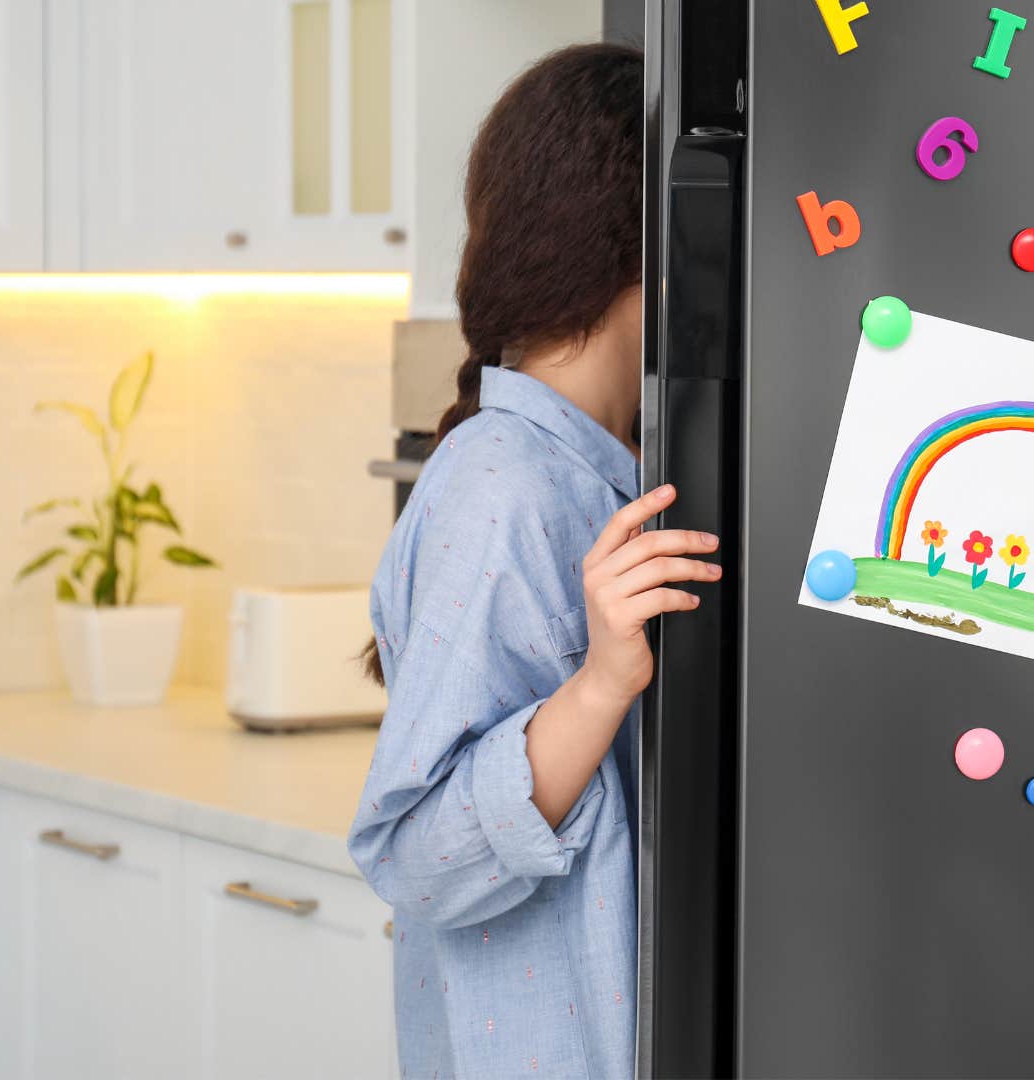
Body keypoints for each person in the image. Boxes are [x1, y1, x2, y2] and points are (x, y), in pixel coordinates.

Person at [348, 43, 715, 1078]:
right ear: (638, 240)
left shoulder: (611, 470)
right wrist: (601, 685)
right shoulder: (503, 484)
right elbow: (417, 861)